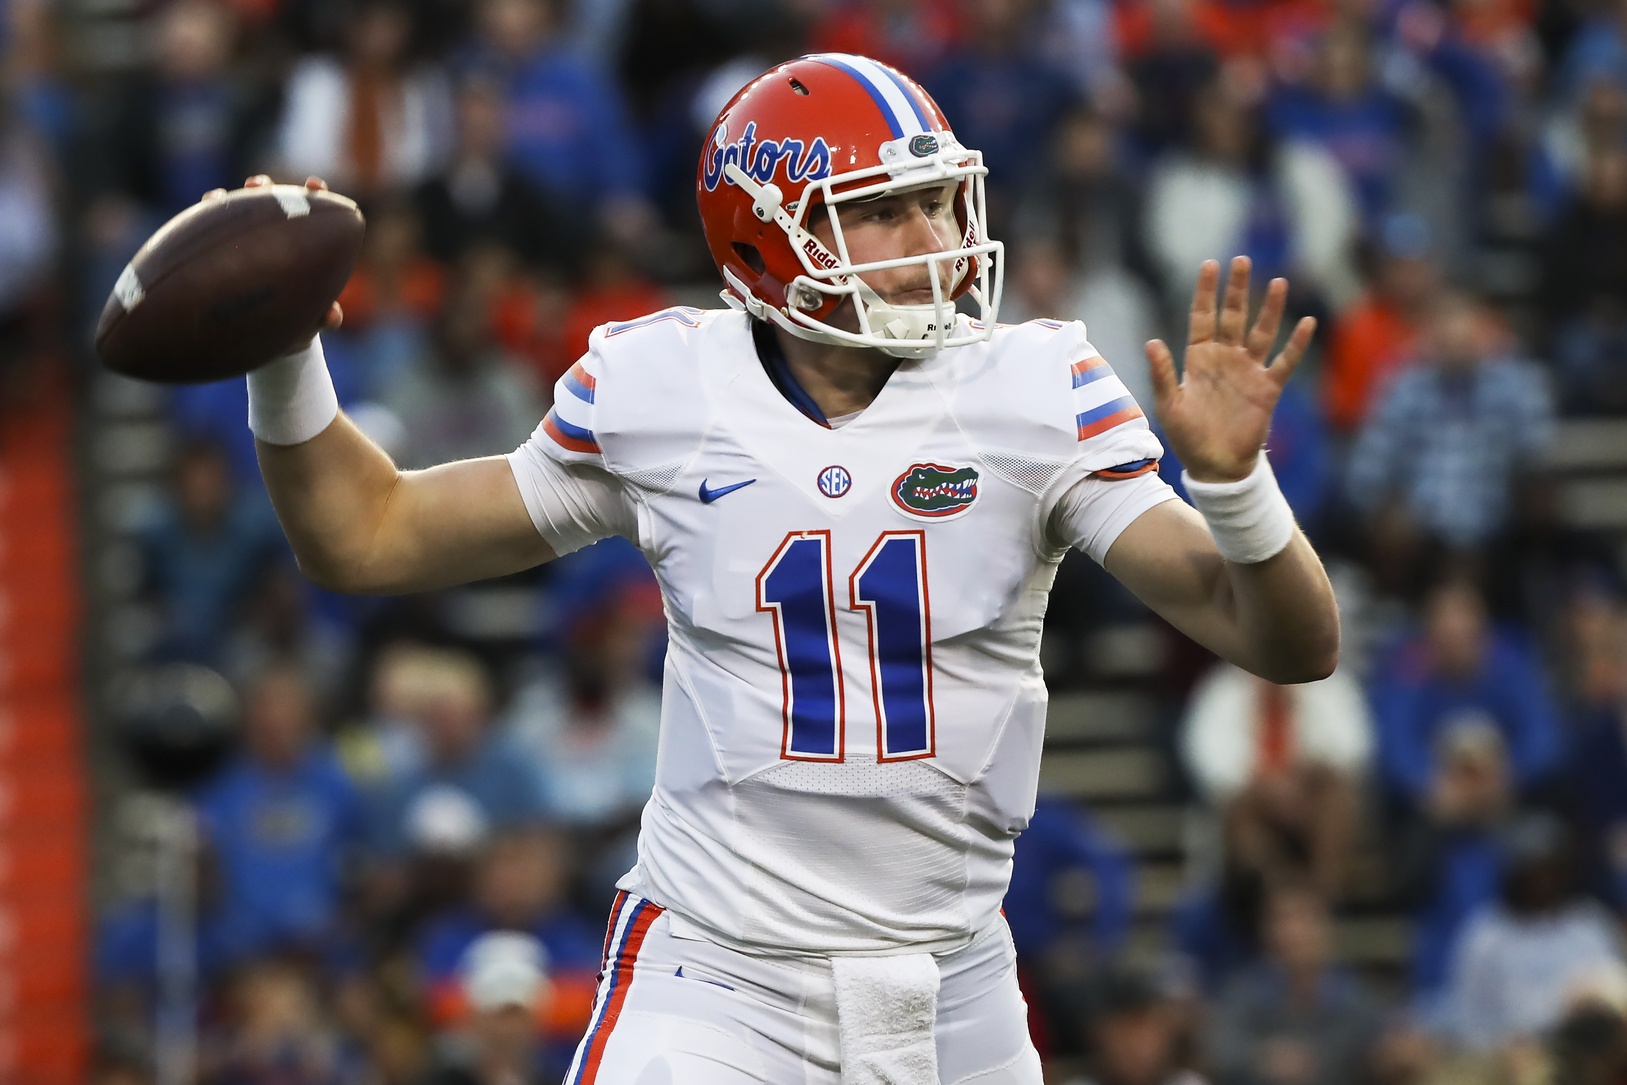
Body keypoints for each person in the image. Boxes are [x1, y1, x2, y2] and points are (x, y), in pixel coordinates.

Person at [222, 52, 1338, 1084]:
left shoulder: (1033, 390)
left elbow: (1288, 640)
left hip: (950, 983)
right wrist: (283, 358)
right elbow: (366, 535)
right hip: (715, 974)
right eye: (881, 212)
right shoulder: (662, 387)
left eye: (937, 199)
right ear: (769, 239)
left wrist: (1235, 490)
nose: (932, 236)